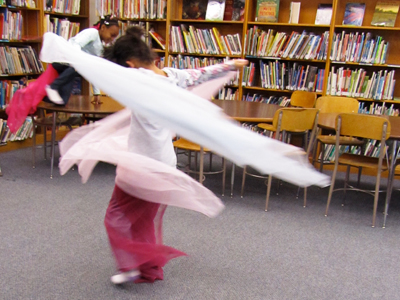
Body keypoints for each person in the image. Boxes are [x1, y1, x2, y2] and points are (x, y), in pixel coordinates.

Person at [102, 26, 248, 285]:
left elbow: (102, 73)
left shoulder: (137, 80)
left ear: (129, 64)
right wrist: (231, 65)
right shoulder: (173, 76)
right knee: (144, 218)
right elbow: (202, 73)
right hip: (165, 163)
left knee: (115, 215)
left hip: (141, 164)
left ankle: (130, 266)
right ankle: (144, 267)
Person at [45, 15, 120, 105]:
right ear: (103, 28)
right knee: (76, 68)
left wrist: (96, 93)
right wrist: (78, 60)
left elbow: (94, 70)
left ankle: (44, 96)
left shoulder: (100, 47)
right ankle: (53, 87)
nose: (112, 39)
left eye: (114, 38)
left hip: (71, 68)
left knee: (62, 101)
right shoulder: (93, 33)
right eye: (112, 35)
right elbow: (76, 43)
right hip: (64, 59)